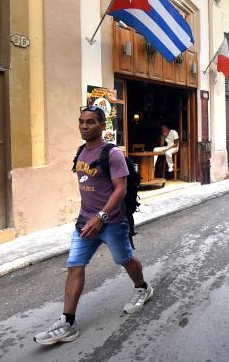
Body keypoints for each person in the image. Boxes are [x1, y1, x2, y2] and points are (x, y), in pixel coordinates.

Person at [34, 105, 153, 346]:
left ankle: (142, 287)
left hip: (111, 222)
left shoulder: (112, 154)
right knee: (75, 265)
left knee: (125, 259)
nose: (84, 126)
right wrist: (89, 217)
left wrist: (100, 217)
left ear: (102, 125)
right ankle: (67, 322)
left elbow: (121, 190)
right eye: (81, 122)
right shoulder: (81, 152)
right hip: (84, 222)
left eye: (90, 122)